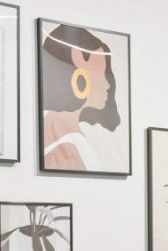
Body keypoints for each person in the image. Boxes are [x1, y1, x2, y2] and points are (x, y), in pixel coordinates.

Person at [40, 24, 124, 172]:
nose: (107, 84)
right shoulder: (67, 152)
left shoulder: (51, 127)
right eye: (101, 74)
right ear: (78, 74)